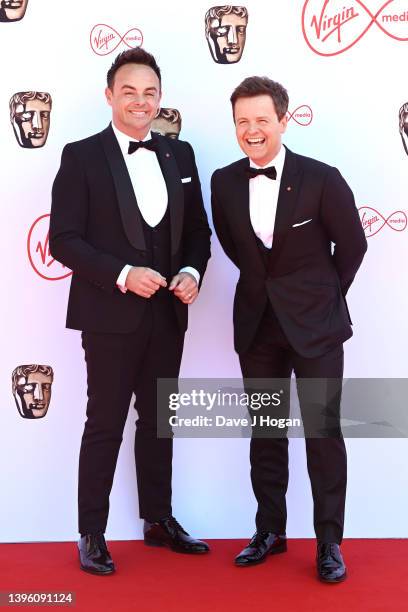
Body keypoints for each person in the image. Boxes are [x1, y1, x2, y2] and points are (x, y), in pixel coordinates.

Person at [49, 48, 211, 575]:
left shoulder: (179, 155)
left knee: (160, 421)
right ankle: (91, 533)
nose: (140, 102)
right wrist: (122, 274)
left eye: (149, 93)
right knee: (106, 422)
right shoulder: (81, 156)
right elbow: (63, 240)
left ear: (159, 98)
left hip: (168, 315)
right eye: (129, 91)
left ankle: (158, 519)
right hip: (109, 315)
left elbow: (197, 235)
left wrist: (191, 273)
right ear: (109, 95)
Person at [211, 76, 367, 583]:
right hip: (258, 326)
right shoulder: (223, 181)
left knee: (323, 433)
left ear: (283, 120)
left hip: (317, 328)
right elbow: (240, 251)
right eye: (242, 122)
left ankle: (329, 543)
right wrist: (270, 289)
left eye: (261, 120)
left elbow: (353, 246)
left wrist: (322, 298)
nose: (252, 131)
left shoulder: (322, 178)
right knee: (266, 433)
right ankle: (269, 531)